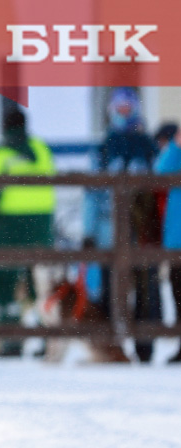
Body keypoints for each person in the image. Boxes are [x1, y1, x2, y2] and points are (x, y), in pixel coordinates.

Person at [83, 88, 160, 362]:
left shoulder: (147, 146)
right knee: (108, 286)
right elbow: (91, 193)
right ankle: (110, 344)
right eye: (119, 108)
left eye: (128, 108)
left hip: (141, 229)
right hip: (108, 229)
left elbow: (159, 187)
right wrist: (88, 231)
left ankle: (145, 344)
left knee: (145, 286)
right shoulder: (104, 147)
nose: (123, 114)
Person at [0, 110, 56, 331]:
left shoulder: (1, 155)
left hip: (10, 223)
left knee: (4, 276)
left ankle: (8, 332)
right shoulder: (41, 149)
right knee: (37, 277)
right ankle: (43, 328)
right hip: (40, 223)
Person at [155, 126, 181, 363]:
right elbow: (160, 172)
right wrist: (176, 146)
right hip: (177, 236)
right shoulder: (175, 154)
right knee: (178, 291)